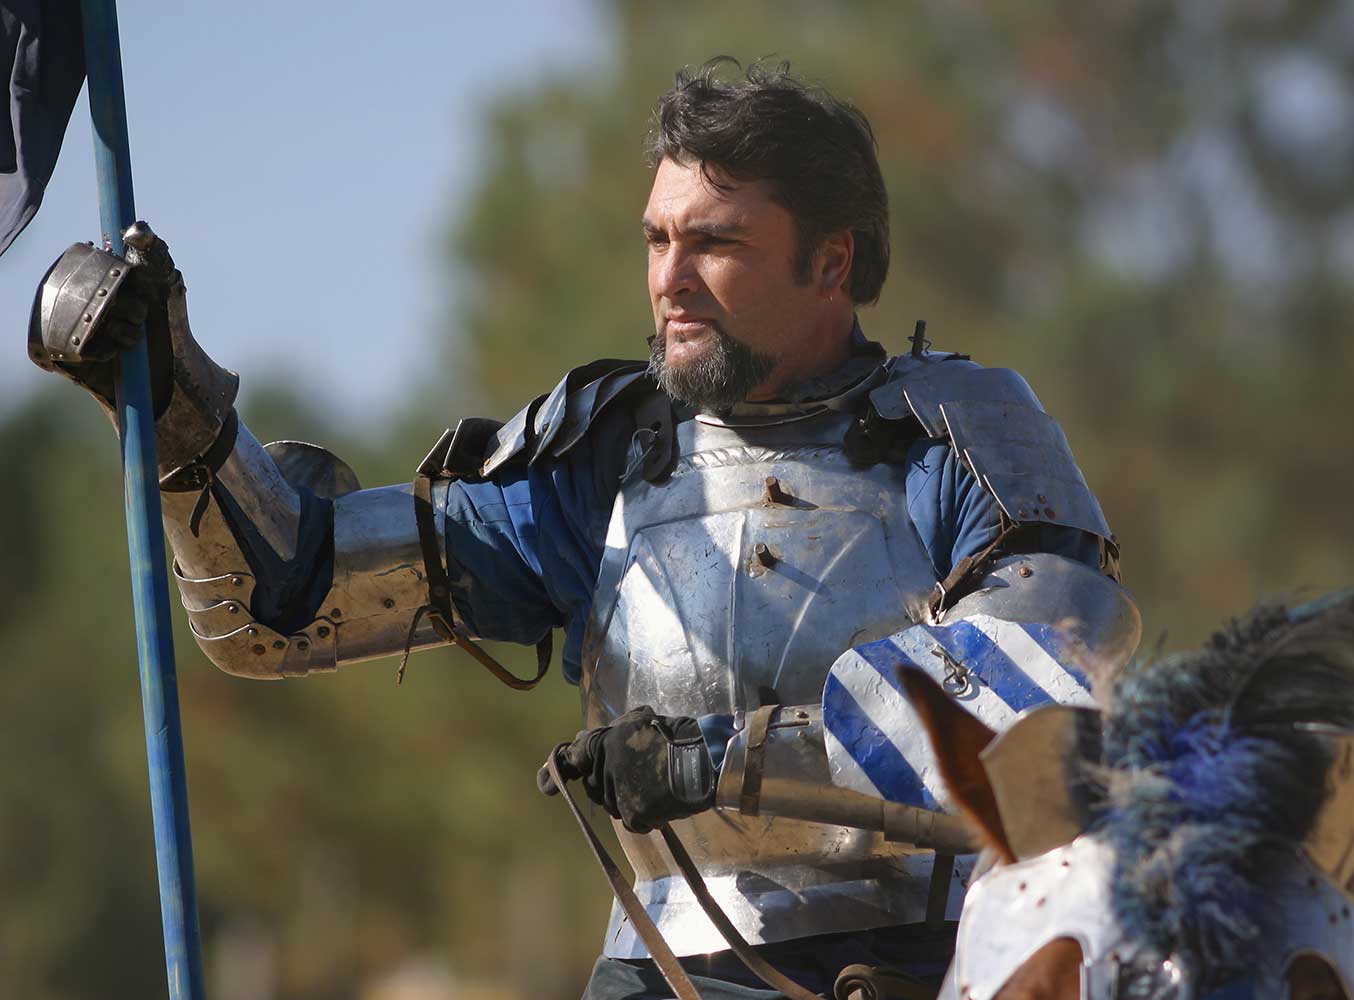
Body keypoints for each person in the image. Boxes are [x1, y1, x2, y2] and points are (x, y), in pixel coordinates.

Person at [29, 59, 1139, 999]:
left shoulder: (959, 436)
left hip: (907, 968)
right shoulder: (604, 454)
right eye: (656, 239)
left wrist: (718, 761)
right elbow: (288, 603)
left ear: (832, 261)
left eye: (716, 242)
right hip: (657, 971)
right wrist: (176, 410)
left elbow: (1039, 690)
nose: (670, 280)